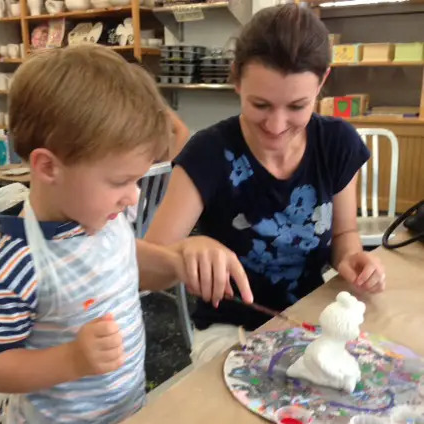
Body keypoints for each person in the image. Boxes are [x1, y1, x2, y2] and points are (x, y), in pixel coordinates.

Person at [0, 45, 251, 424]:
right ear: (47, 167)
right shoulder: (14, 265)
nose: (134, 197)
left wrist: (176, 260)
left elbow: (121, 255)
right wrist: (71, 360)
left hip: (123, 418)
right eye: (120, 181)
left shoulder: (100, 218)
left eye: (137, 180)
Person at [146, 4, 386, 366]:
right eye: (260, 104)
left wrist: (353, 259)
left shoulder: (336, 144)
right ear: (237, 79)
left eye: (297, 106)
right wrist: (185, 252)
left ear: (322, 82)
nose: (276, 125)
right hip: (230, 331)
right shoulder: (209, 154)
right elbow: (143, 267)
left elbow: (343, 235)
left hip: (311, 318)